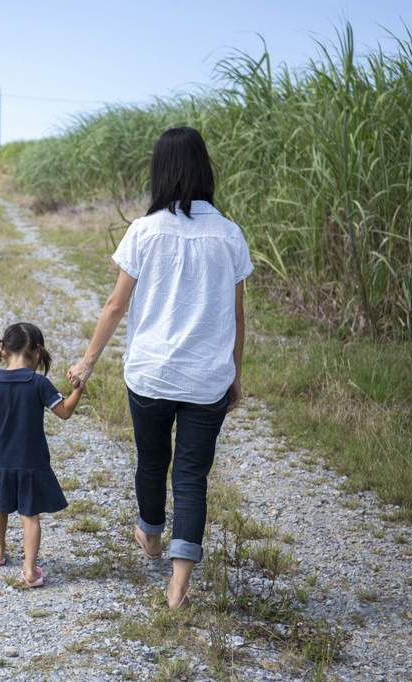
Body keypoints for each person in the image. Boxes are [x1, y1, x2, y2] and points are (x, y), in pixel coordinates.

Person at [66, 126, 252, 609]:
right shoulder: (229, 234)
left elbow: (114, 306)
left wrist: (87, 362)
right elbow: (237, 315)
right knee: (191, 475)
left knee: (152, 461)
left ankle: (149, 534)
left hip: (150, 374)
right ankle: (178, 586)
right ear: (204, 170)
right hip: (207, 377)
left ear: (160, 172)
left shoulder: (144, 231)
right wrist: (235, 374)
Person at [0, 322, 84, 588]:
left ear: (3, 349)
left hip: (0, 460)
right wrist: (78, 388)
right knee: (30, 516)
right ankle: (30, 570)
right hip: (31, 462)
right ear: (36, 352)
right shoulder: (38, 383)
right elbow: (65, 411)